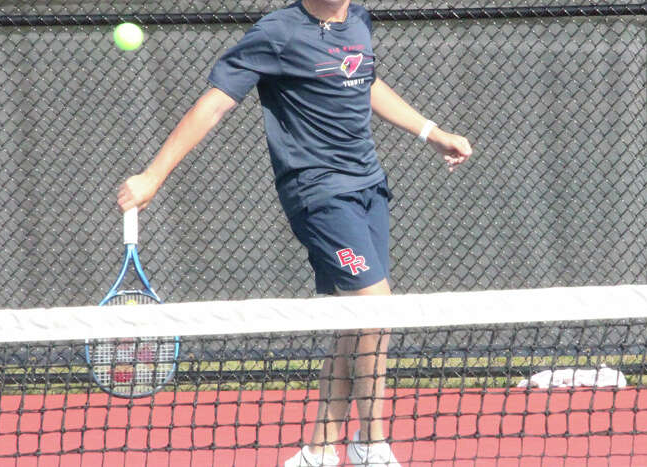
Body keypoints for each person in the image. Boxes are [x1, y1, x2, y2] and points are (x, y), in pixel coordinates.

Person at [117, 0, 472, 465]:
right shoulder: (278, 33)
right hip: (318, 192)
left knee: (358, 321)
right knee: (377, 309)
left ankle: (321, 451)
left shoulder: (359, 20)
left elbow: (363, 80)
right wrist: (153, 177)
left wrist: (432, 132)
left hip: (369, 187)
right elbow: (214, 105)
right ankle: (372, 446)